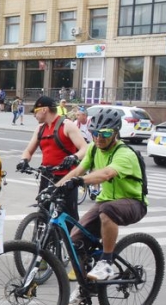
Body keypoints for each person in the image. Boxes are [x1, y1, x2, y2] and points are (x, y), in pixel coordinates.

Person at [56, 107, 148, 294]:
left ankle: (106, 262)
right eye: (95, 133)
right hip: (105, 202)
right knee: (75, 240)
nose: (99, 138)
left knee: (107, 210)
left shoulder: (125, 154)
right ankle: (86, 288)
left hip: (133, 202)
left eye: (105, 133)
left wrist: (79, 181)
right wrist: (56, 187)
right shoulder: (93, 149)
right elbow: (77, 171)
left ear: (115, 133)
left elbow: (106, 174)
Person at [17, 95, 89, 220]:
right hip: (47, 176)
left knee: (69, 216)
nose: (34, 115)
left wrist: (73, 157)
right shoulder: (40, 129)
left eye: (35, 111)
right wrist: (24, 160)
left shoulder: (67, 125)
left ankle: (74, 239)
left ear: (44, 109)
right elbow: (28, 150)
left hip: (67, 177)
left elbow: (84, 148)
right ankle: (40, 238)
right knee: (43, 213)